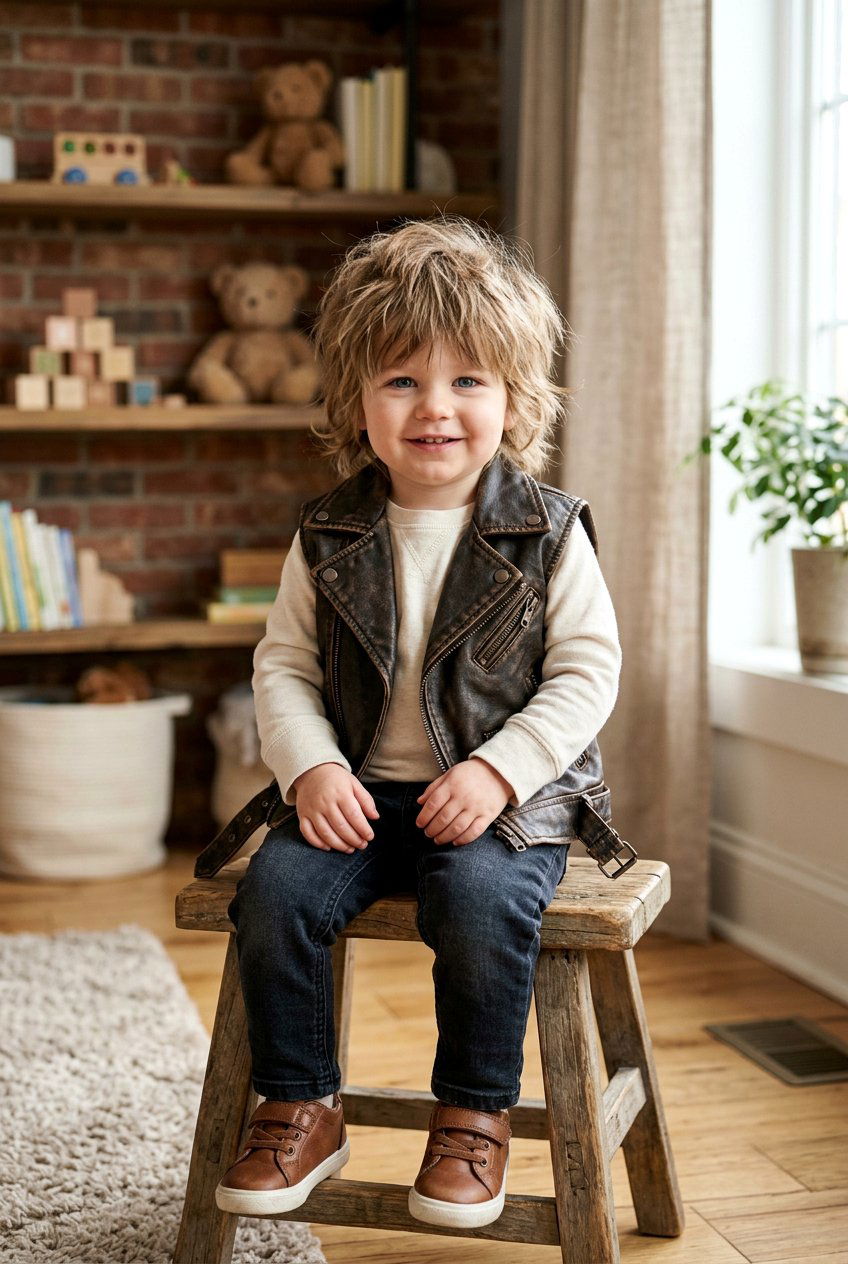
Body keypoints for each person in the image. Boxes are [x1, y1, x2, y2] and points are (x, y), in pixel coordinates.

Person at [206, 216, 624, 1229]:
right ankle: (301, 1100)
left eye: (466, 381)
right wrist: (309, 769)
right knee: (275, 894)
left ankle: (472, 1115)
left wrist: (497, 771)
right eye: (400, 381)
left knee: (480, 908)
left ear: (515, 398)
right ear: (355, 400)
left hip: (498, 807)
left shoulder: (547, 532)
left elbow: (585, 671)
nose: (434, 407)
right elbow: (284, 667)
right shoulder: (330, 530)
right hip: (356, 794)